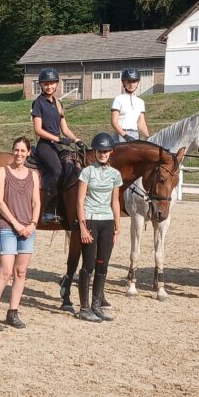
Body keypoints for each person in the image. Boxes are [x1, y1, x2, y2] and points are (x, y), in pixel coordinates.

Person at [0, 136, 42, 331]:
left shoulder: (33, 175)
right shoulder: (3, 172)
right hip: (8, 228)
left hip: (28, 229)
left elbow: (36, 202)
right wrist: (16, 224)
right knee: (5, 271)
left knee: (21, 272)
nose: (19, 154)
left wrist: (33, 223)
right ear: (13, 151)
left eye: (23, 151)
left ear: (28, 153)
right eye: (16, 150)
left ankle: (13, 312)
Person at [74, 132, 122, 323]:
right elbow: (79, 202)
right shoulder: (87, 172)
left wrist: (117, 227)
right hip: (91, 220)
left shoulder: (115, 175)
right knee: (89, 264)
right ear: (95, 152)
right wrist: (83, 227)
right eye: (100, 151)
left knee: (103, 265)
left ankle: (96, 305)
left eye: (106, 151)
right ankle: (84, 308)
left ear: (111, 152)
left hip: (107, 222)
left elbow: (115, 201)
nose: (103, 154)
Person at [31, 68, 82, 224]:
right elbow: (38, 130)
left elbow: (65, 128)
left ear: (56, 84)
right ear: (41, 85)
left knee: (70, 169)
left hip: (58, 146)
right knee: (56, 171)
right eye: (46, 84)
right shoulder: (38, 103)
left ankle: (63, 206)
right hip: (45, 145)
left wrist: (76, 140)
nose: (49, 87)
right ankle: (46, 210)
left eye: (52, 83)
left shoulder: (58, 103)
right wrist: (58, 139)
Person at [109, 68, 149, 142]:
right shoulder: (118, 99)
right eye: (128, 81)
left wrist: (147, 138)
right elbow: (114, 122)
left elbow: (141, 123)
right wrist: (126, 136)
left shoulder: (140, 102)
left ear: (138, 82)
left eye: (134, 81)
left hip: (135, 135)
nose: (131, 84)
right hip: (120, 134)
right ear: (124, 82)